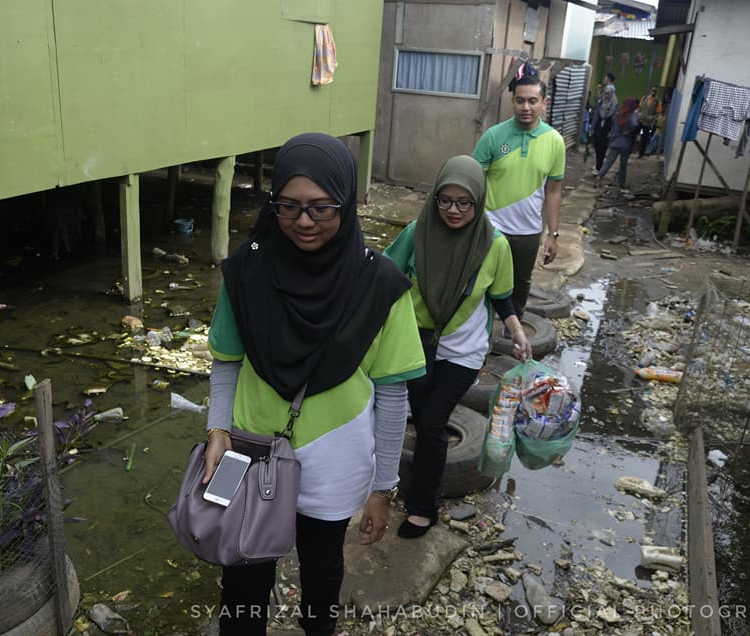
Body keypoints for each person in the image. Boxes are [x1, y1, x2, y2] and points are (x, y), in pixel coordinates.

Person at [203, 132, 426, 635]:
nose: (304, 221)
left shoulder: (381, 286)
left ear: (346, 204)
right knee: (240, 578)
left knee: (322, 573)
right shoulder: (247, 272)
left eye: (322, 208)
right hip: (245, 448)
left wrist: (383, 487)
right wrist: (217, 429)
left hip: (335, 458)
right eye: (290, 207)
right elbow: (226, 362)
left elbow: (392, 396)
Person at [384, 155, 532, 539]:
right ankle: (386, 486)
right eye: (445, 201)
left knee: (433, 421)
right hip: (413, 342)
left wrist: (516, 329)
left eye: (464, 202)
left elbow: (501, 298)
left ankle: (422, 507)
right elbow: (382, 276)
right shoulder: (416, 233)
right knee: (417, 413)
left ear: (478, 201)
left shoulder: (495, 245)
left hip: (462, 349)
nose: (453, 210)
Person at [472, 73, 565, 322]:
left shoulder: (554, 141)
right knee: (481, 281)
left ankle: (512, 336)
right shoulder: (493, 136)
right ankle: (479, 335)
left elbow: (554, 191)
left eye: (533, 101)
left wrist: (553, 235)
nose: (526, 107)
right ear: (512, 101)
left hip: (528, 231)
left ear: (544, 103)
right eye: (520, 100)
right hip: (491, 226)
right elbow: (471, 181)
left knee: (520, 286)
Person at [595, 97, 639, 190]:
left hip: (615, 141)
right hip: (625, 143)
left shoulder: (617, 115)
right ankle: (621, 183)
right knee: (623, 164)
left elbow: (613, 128)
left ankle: (599, 176)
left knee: (608, 162)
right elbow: (635, 125)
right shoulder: (631, 116)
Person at [590, 75, 618, 171]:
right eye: (605, 93)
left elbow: (615, 120)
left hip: (607, 129)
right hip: (598, 128)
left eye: (608, 94)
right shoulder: (601, 103)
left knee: (602, 148)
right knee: (597, 146)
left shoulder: (614, 105)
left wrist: (612, 132)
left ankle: (599, 167)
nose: (606, 96)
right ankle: (598, 165)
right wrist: (592, 128)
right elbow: (596, 116)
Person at [637, 85, 661, 157]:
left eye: (655, 91)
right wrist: (639, 114)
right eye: (653, 90)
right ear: (650, 90)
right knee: (635, 134)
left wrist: (652, 118)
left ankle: (641, 153)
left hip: (648, 123)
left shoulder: (657, 102)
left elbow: (658, 113)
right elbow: (640, 107)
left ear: (657, 92)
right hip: (640, 120)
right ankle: (632, 150)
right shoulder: (644, 98)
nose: (654, 92)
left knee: (644, 138)